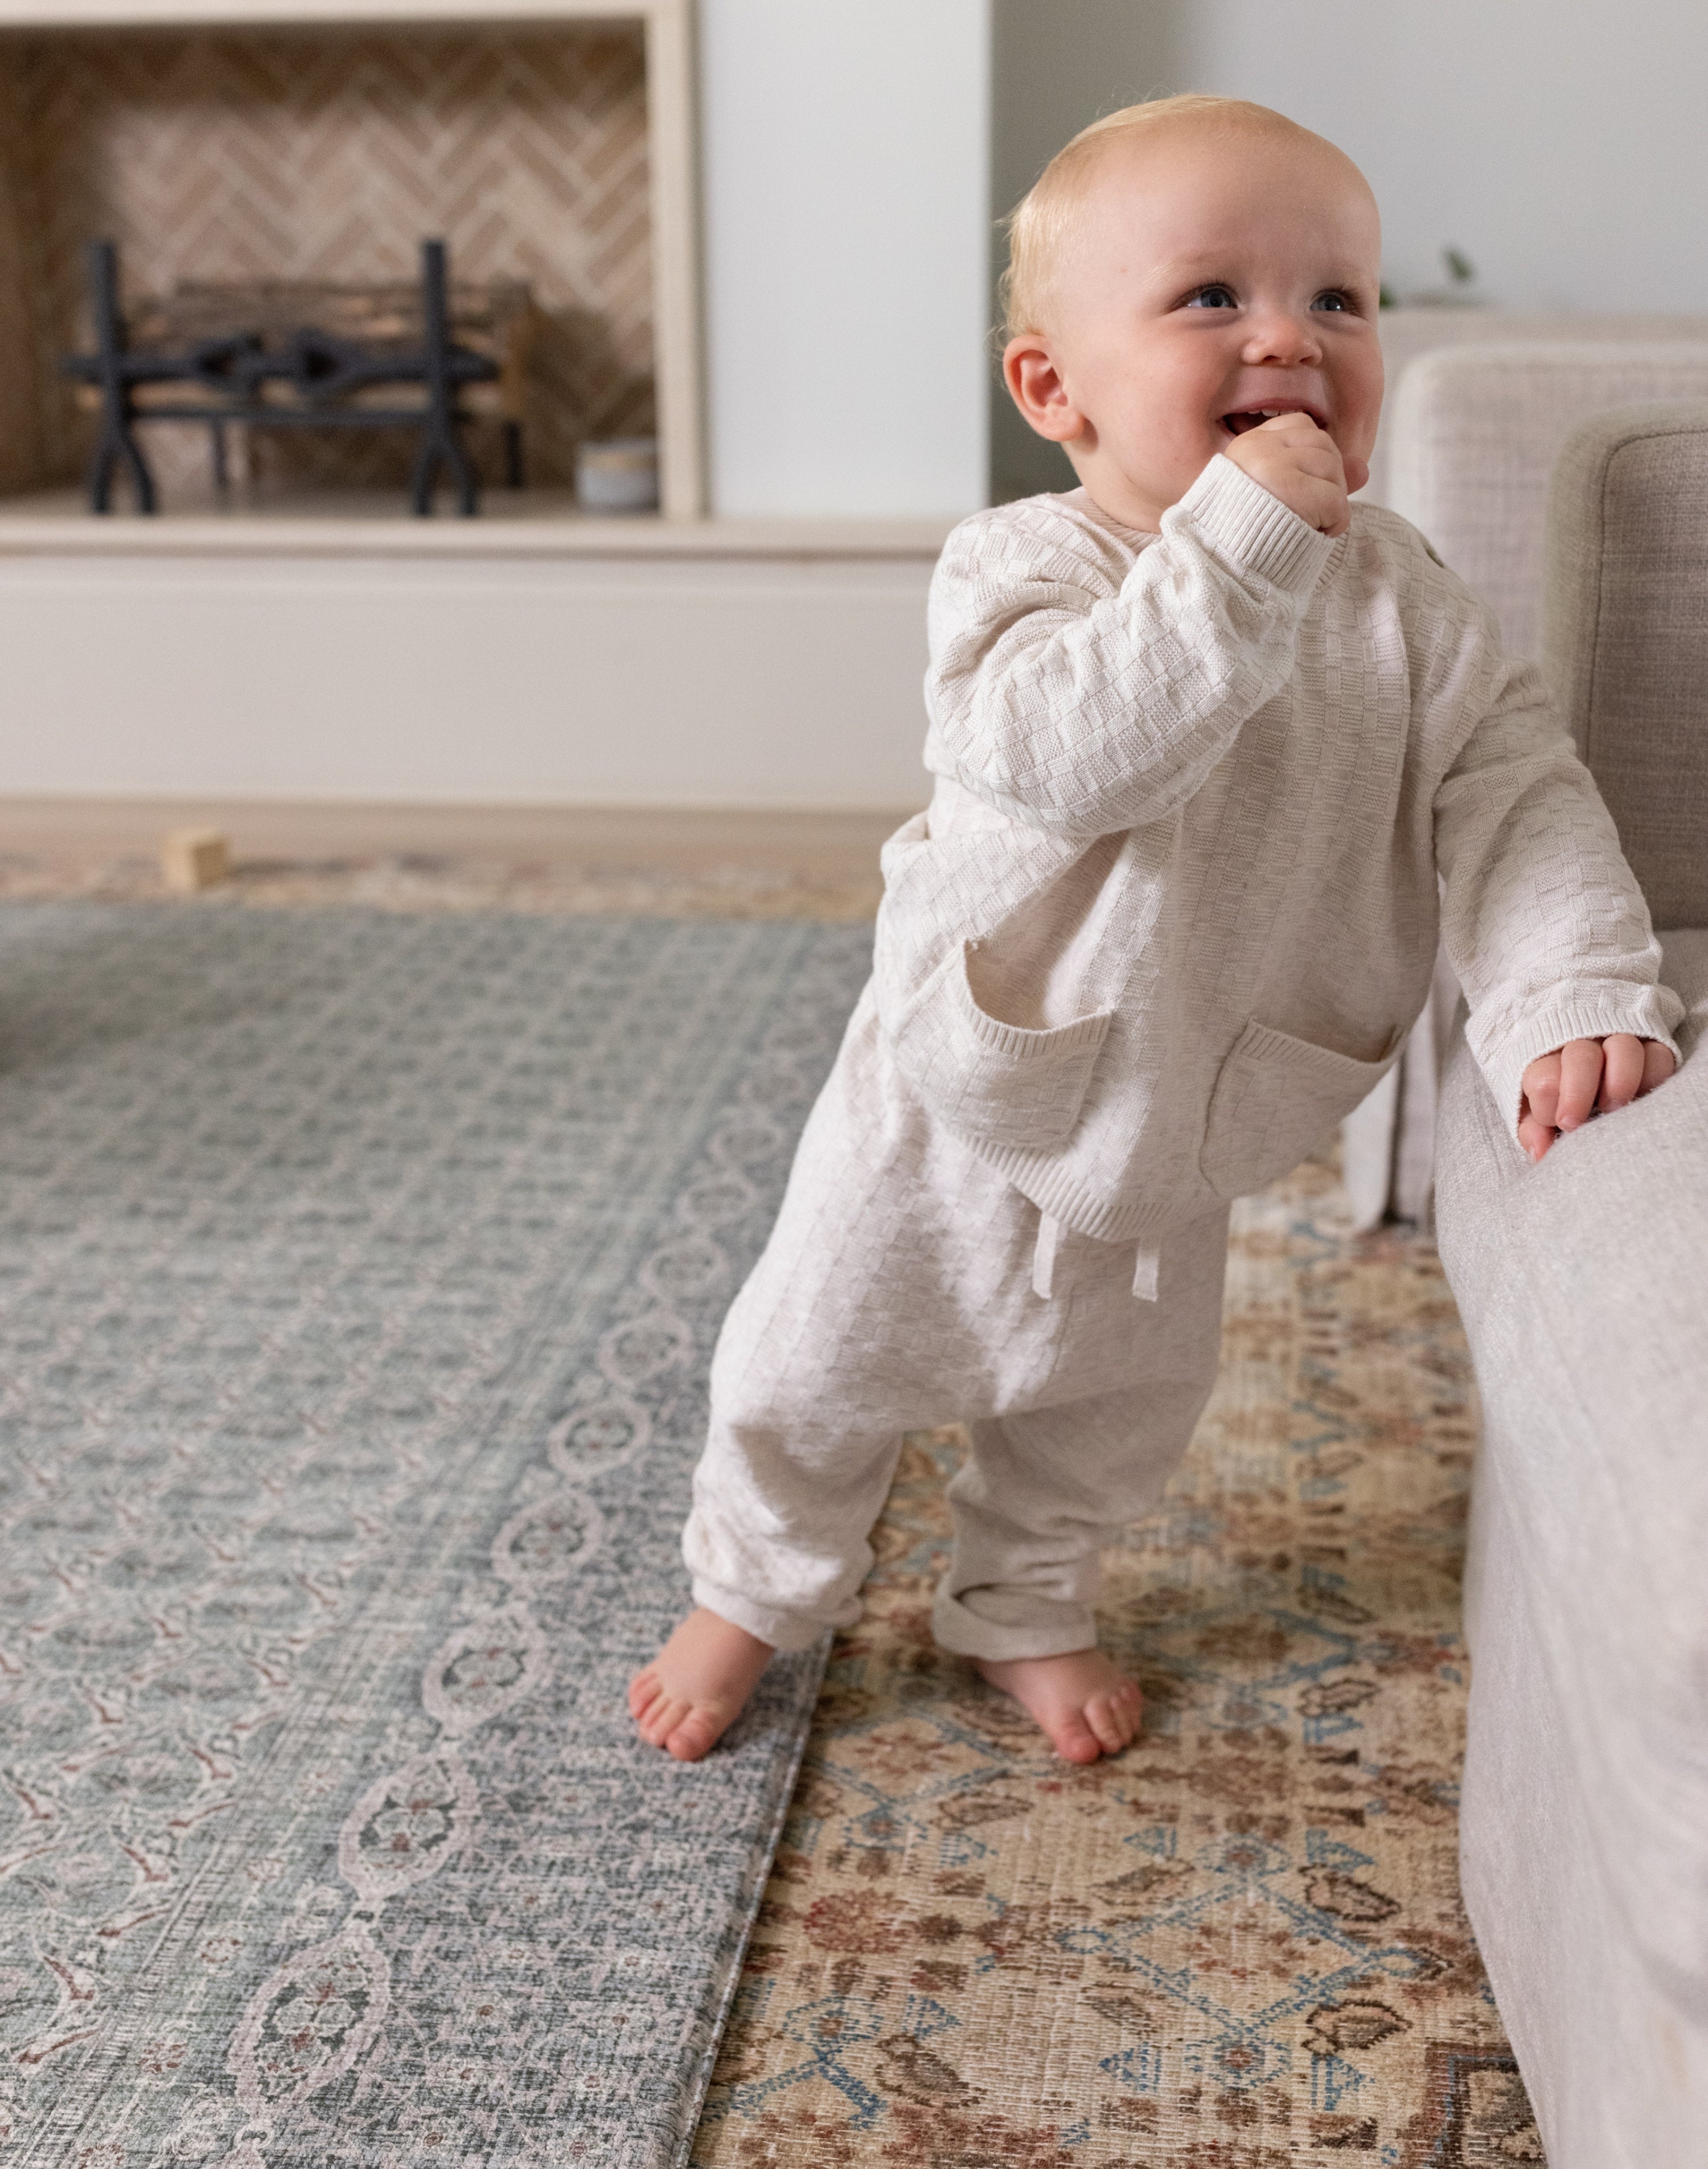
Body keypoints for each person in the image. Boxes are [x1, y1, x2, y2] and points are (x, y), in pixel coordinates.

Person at [630, 94, 1682, 1766]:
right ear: (1056, 386)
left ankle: (1026, 1599)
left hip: (1194, 1095)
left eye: (1338, 299)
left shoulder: (1401, 594)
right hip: (967, 1082)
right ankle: (755, 1583)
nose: (1291, 335)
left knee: (1112, 1405)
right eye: (1214, 299)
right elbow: (1072, 751)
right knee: (816, 1355)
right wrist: (1246, 544)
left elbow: (1512, 784)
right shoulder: (1021, 569)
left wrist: (1569, 983)